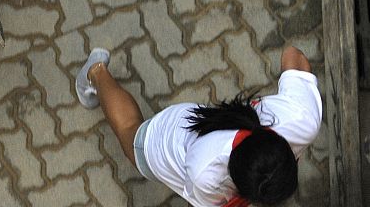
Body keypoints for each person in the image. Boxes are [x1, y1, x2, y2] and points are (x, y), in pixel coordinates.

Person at [74, 45, 322, 207]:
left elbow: (292, 55)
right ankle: (95, 72)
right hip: (166, 141)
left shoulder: (301, 119)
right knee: (131, 132)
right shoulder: (206, 175)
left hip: (195, 121)